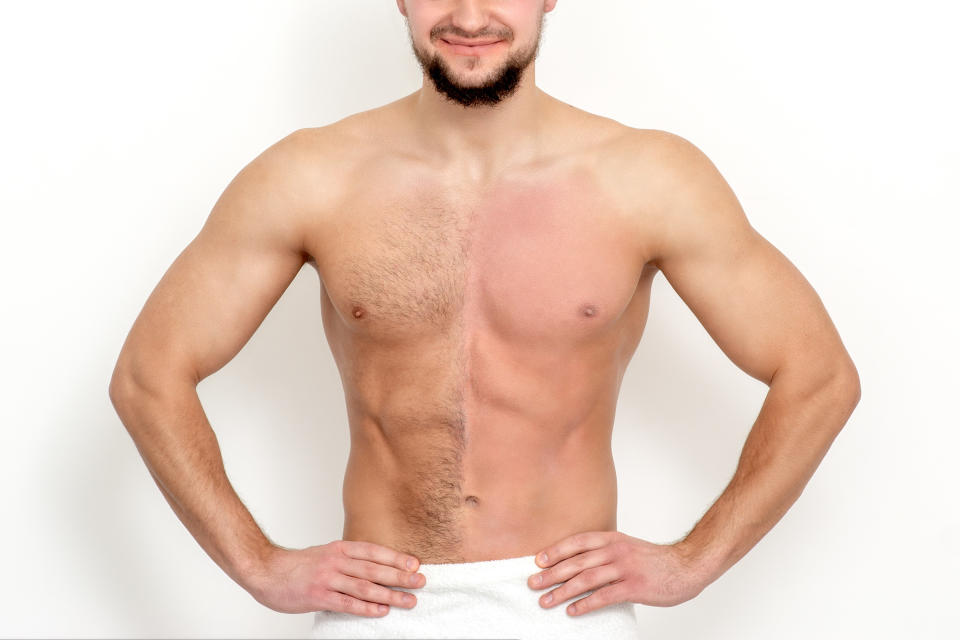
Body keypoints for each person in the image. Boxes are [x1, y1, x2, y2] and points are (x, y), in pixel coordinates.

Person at [108, 1, 861, 638]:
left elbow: (819, 376)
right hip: (378, 610)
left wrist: (695, 561)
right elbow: (149, 377)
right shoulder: (311, 175)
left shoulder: (648, 177)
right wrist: (257, 565)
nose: (470, 16)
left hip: (568, 611)